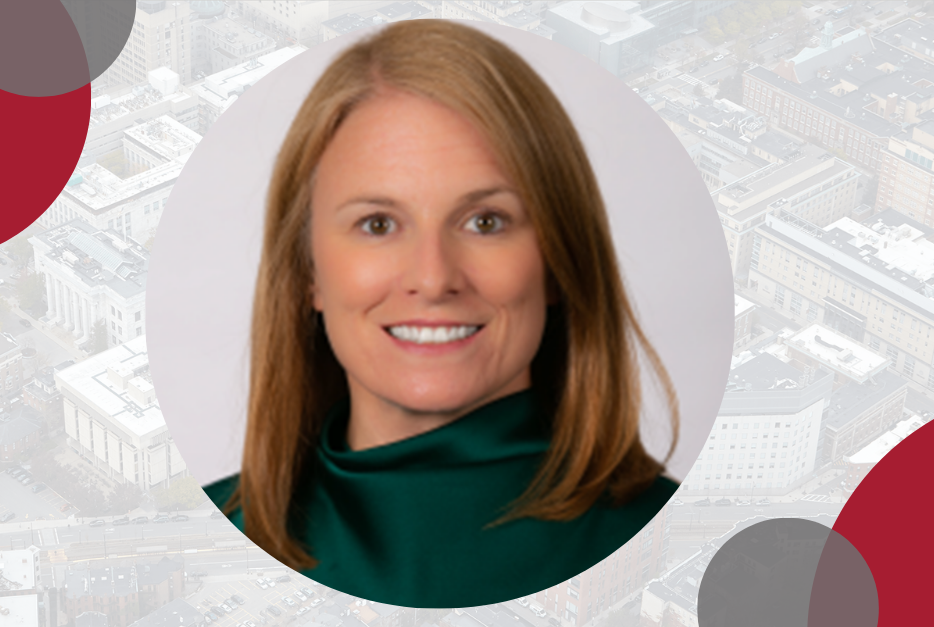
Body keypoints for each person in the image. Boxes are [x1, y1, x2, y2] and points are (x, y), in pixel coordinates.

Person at [204, 20, 680, 607]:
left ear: (557, 261)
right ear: (307, 273)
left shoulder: (671, 544)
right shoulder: (213, 538)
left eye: (485, 222)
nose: (433, 279)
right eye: (378, 224)